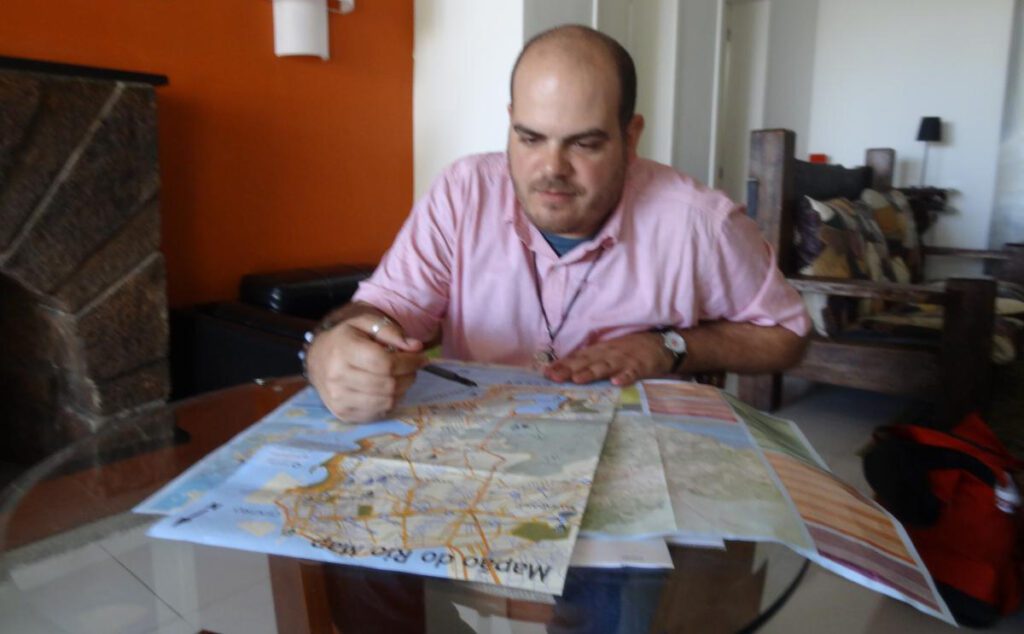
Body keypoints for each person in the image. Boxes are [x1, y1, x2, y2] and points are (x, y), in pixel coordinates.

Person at [306, 25, 809, 424]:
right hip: (483, 455)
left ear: (630, 136)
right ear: (510, 121)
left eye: (584, 144)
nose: (551, 169)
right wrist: (333, 349)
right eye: (529, 138)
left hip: (640, 464)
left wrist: (669, 346)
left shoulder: (701, 223)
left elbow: (788, 335)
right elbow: (382, 310)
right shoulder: (463, 192)